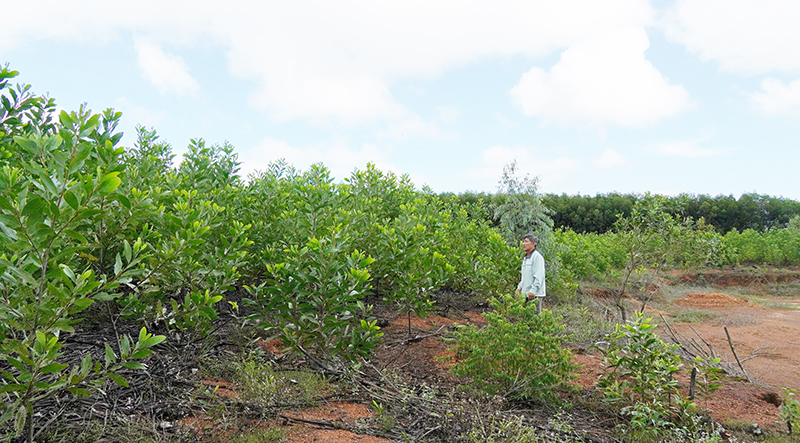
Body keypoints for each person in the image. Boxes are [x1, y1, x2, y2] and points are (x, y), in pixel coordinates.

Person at [515, 233, 546, 314]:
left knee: (534, 319)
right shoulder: (526, 258)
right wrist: (519, 288)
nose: (523, 244)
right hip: (525, 294)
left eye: (526, 242)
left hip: (534, 295)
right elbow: (524, 277)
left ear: (533, 244)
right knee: (525, 318)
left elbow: (539, 276)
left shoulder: (537, 257)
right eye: (523, 242)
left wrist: (533, 291)